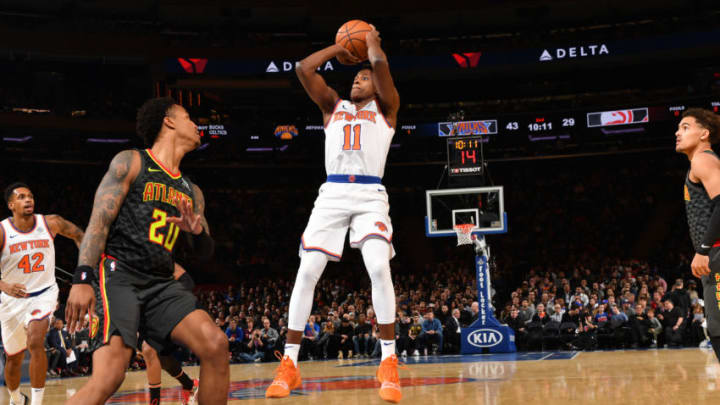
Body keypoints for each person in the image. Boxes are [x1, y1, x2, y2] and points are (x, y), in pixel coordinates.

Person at [265, 25, 403, 403]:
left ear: (376, 85)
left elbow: (380, 65)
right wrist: (340, 45)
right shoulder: (333, 107)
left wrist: (372, 41)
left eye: (364, 78)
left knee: (378, 266)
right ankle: (289, 364)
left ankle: (389, 360)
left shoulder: (387, 108)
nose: (357, 81)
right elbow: (303, 69)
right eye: (355, 77)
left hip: (370, 193)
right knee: (307, 270)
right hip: (333, 193)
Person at [63, 97, 229, 405]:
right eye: (189, 117)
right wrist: (82, 277)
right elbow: (99, 222)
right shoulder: (132, 161)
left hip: (162, 283)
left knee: (215, 344)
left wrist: (196, 233)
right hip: (120, 275)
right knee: (110, 375)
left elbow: (205, 253)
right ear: (169, 121)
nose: (197, 124)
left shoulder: (193, 192)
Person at [1, 182, 84, 405]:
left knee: (36, 341)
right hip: (11, 300)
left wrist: (86, 271)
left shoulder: (51, 222)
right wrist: (3, 286)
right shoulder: (2, 231)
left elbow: (80, 236)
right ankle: (16, 398)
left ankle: (37, 403)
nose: (28, 200)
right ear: (11, 205)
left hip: (44, 293)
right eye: (21, 197)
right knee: (13, 358)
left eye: (30, 196)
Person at [676, 108, 720, 359]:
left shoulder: (703, 159)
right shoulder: (701, 161)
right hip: (713, 254)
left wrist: (703, 249)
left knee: (718, 328)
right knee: (716, 328)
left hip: (716, 252)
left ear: (704, 133)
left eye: (685, 127)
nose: (677, 132)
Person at [141, 263, 199, 405]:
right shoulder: (123, 263)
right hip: (145, 313)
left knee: (149, 350)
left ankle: (155, 402)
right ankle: (189, 384)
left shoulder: (157, 257)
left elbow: (187, 281)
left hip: (169, 309)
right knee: (161, 359)